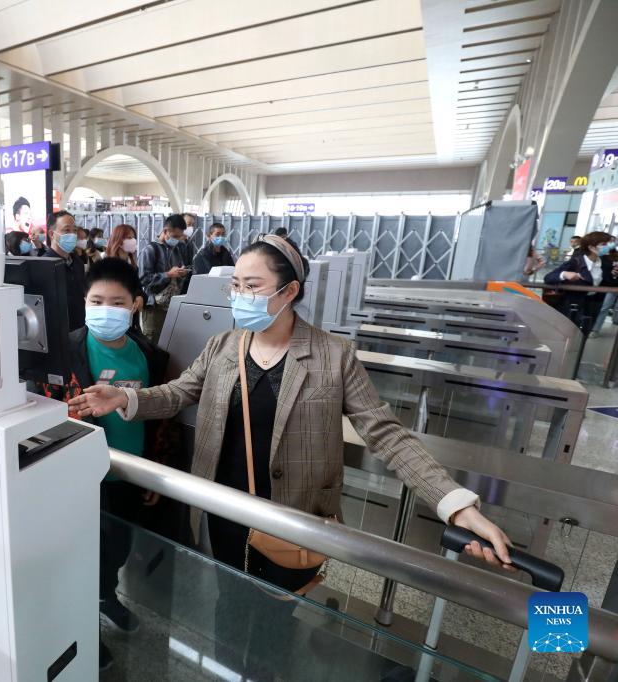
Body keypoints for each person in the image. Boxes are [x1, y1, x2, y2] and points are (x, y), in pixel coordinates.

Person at [71, 234, 516, 676]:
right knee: (229, 600)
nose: (241, 297)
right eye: (237, 287)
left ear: (290, 292)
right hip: (226, 508)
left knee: (277, 618)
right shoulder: (224, 346)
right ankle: (228, 670)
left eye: (254, 286)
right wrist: (126, 400)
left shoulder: (333, 355)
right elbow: (179, 392)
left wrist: (454, 504)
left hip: (294, 516)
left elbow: (385, 432)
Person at [43, 258, 174, 671]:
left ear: (136, 304)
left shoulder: (150, 356)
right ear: (83, 302)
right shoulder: (65, 351)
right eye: (95, 300)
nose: (105, 309)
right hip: (81, 479)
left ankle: (105, 597)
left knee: (116, 549)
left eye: (116, 302)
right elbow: (48, 414)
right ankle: (83, 626)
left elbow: (160, 415)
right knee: (82, 556)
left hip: (129, 474)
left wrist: (156, 468)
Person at [545, 231, 617, 336]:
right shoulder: (576, 262)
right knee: (567, 335)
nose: (608, 247)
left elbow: (607, 282)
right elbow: (549, 277)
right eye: (604, 245)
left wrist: (614, 275)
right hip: (573, 305)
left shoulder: (605, 263)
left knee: (583, 335)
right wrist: (565, 274)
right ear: (592, 247)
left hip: (593, 306)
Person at [138, 214, 191, 344]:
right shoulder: (150, 249)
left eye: (180, 236)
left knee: (170, 344)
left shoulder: (178, 249)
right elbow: (144, 279)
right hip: (154, 308)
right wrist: (167, 274)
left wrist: (182, 273)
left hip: (172, 305)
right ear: (165, 231)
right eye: (175, 236)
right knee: (153, 343)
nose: (178, 240)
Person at [46, 211, 86, 331]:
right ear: (52, 234)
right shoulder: (44, 264)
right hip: (57, 331)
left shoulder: (77, 261)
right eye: (66, 230)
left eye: (74, 230)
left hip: (80, 327)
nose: (72, 235)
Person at [592, 237, 618, 335]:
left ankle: (615, 321)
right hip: (610, 285)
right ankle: (595, 329)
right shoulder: (600, 257)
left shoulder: (615, 256)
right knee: (604, 307)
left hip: (613, 283)